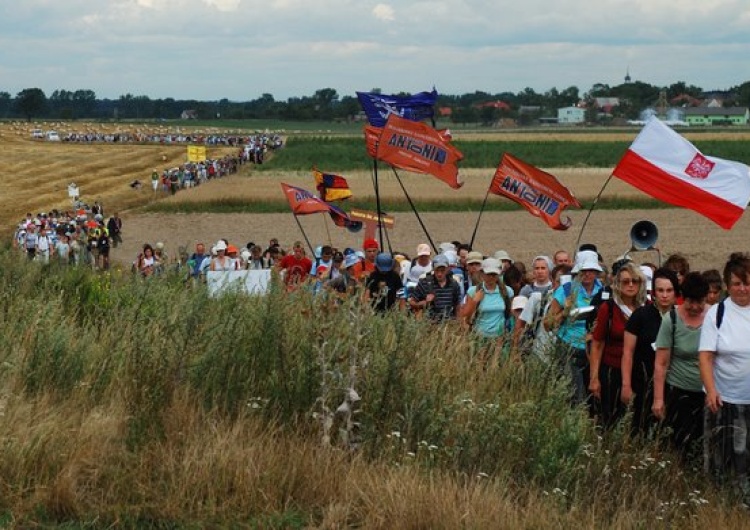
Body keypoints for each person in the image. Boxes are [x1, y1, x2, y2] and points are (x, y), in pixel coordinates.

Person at [700, 252, 750, 503]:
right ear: (727, 286)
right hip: (725, 400)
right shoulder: (717, 314)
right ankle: (724, 506)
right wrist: (711, 391)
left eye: (747, 282)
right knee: (726, 458)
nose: (742, 289)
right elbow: (706, 356)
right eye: (736, 284)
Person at [652, 272, 709, 463]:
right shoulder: (672, 319)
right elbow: (661, 363)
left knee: (707, 444)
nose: (694, 307)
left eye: (699, 302)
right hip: (679, 391)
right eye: (690, 301)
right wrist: (659, 399)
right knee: (681, 446)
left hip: (709, 393)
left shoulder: (715, 317)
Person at [621, 268, 679, 437]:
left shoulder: (681, 316)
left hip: (673, 383)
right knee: (641, 430)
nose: (665, 295)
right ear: (654, 292)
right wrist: (626, 385)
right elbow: (627, 353)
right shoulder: (641, 315)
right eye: (660, 290)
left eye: (669, 290)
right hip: (643, 383)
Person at [589, 262, 647, 429]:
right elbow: (597, 344)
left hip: (639, 371)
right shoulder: (608, 309)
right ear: (617, 284)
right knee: (612, 418)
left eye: (634, 281)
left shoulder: (646, 307)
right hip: (611, 371)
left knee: (638, 418)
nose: (630, 285)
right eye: (625, 281)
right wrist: (594, 378)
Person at [546, 250, 604, 407]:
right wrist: (565, 312)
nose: (587, 274)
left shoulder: (604, 292)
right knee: (575, 397)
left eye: (591, 270)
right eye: (583, 270)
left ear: (597, 271)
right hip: (569, 348)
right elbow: (548, 324)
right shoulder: (565, 291)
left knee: (595, 397)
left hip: (595, 349)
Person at [461, 257, 514, 344]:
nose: (491, 277)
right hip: (479, 338)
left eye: (494, 274)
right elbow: (465, 316)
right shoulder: (473, 291)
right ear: (482, 273)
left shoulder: (507, 291)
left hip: (500, 339)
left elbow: (510, 314)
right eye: (488, 274)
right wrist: (475, 301)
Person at [409, 254, 461, 322]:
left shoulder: (454, 284)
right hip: (429, 324)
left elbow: (457, 305)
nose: (439, 274)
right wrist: (425, 302)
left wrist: (458, 322)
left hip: (448, 324)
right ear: (433, 269)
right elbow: (412, 303)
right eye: (437, 270)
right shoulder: (424, 283)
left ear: (448, 269)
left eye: (442, 270)